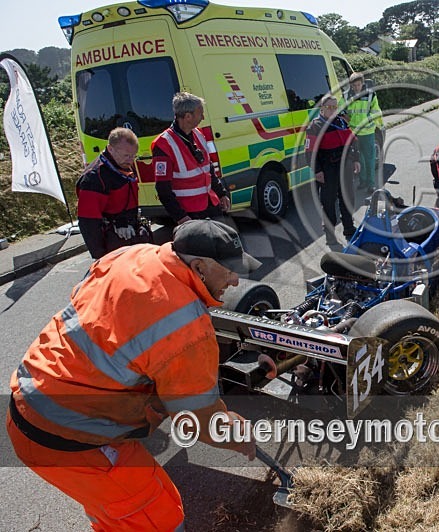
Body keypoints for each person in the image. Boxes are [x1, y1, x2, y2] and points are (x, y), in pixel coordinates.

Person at [6, 219, 259, 530]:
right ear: (200, 266)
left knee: (118, 512)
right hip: (68, 436)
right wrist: (237, 437)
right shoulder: (187, 329)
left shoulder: (131, 255)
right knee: (160, 519)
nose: (235, 281)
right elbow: (199, 421)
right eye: (230, 270)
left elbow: (103, 316)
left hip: (32, 394)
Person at [151, 92, 232, 225]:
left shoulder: (198, 134)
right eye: (200, 114)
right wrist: (180, 217)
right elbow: (163, 189)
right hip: (190, 213)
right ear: (188, 116)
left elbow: (209, 169)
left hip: (211, 206)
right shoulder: (164, 144)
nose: (203, 117)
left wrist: (222, 193)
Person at [76, 127, 153, 259]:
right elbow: (88, 221)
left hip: (132, 234)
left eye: (133, 156)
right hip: (115, 244)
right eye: (126, 156)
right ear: (110, 149)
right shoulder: (94, 178)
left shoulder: (122, 165)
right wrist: (100, 257)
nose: (130, 160)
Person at [306, 95, 361, 245]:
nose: (332, 110)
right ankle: (330, 235)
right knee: (328, 204)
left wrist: (356, 159)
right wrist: (317, 171)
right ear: (322, 108)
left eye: (335, 107)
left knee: (347, 199)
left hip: (345, 168)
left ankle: (349, 228)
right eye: (329, 107)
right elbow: (310, 152)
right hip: (327, 170)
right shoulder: (315, 126)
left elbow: (353, 142)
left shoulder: (341, 122)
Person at [345, 72, 383, 193]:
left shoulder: (370, 94)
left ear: (362, 83)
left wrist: (371, 122)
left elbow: (376, 111)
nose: (356, 87)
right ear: (351, 85)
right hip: (354, 133)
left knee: (369, 159)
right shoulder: (346, 96)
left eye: (358, 84)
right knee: (359, 158)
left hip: (367, 132)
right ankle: (363, 181)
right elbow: (341, 111)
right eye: (354, 85)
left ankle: (371, 184)